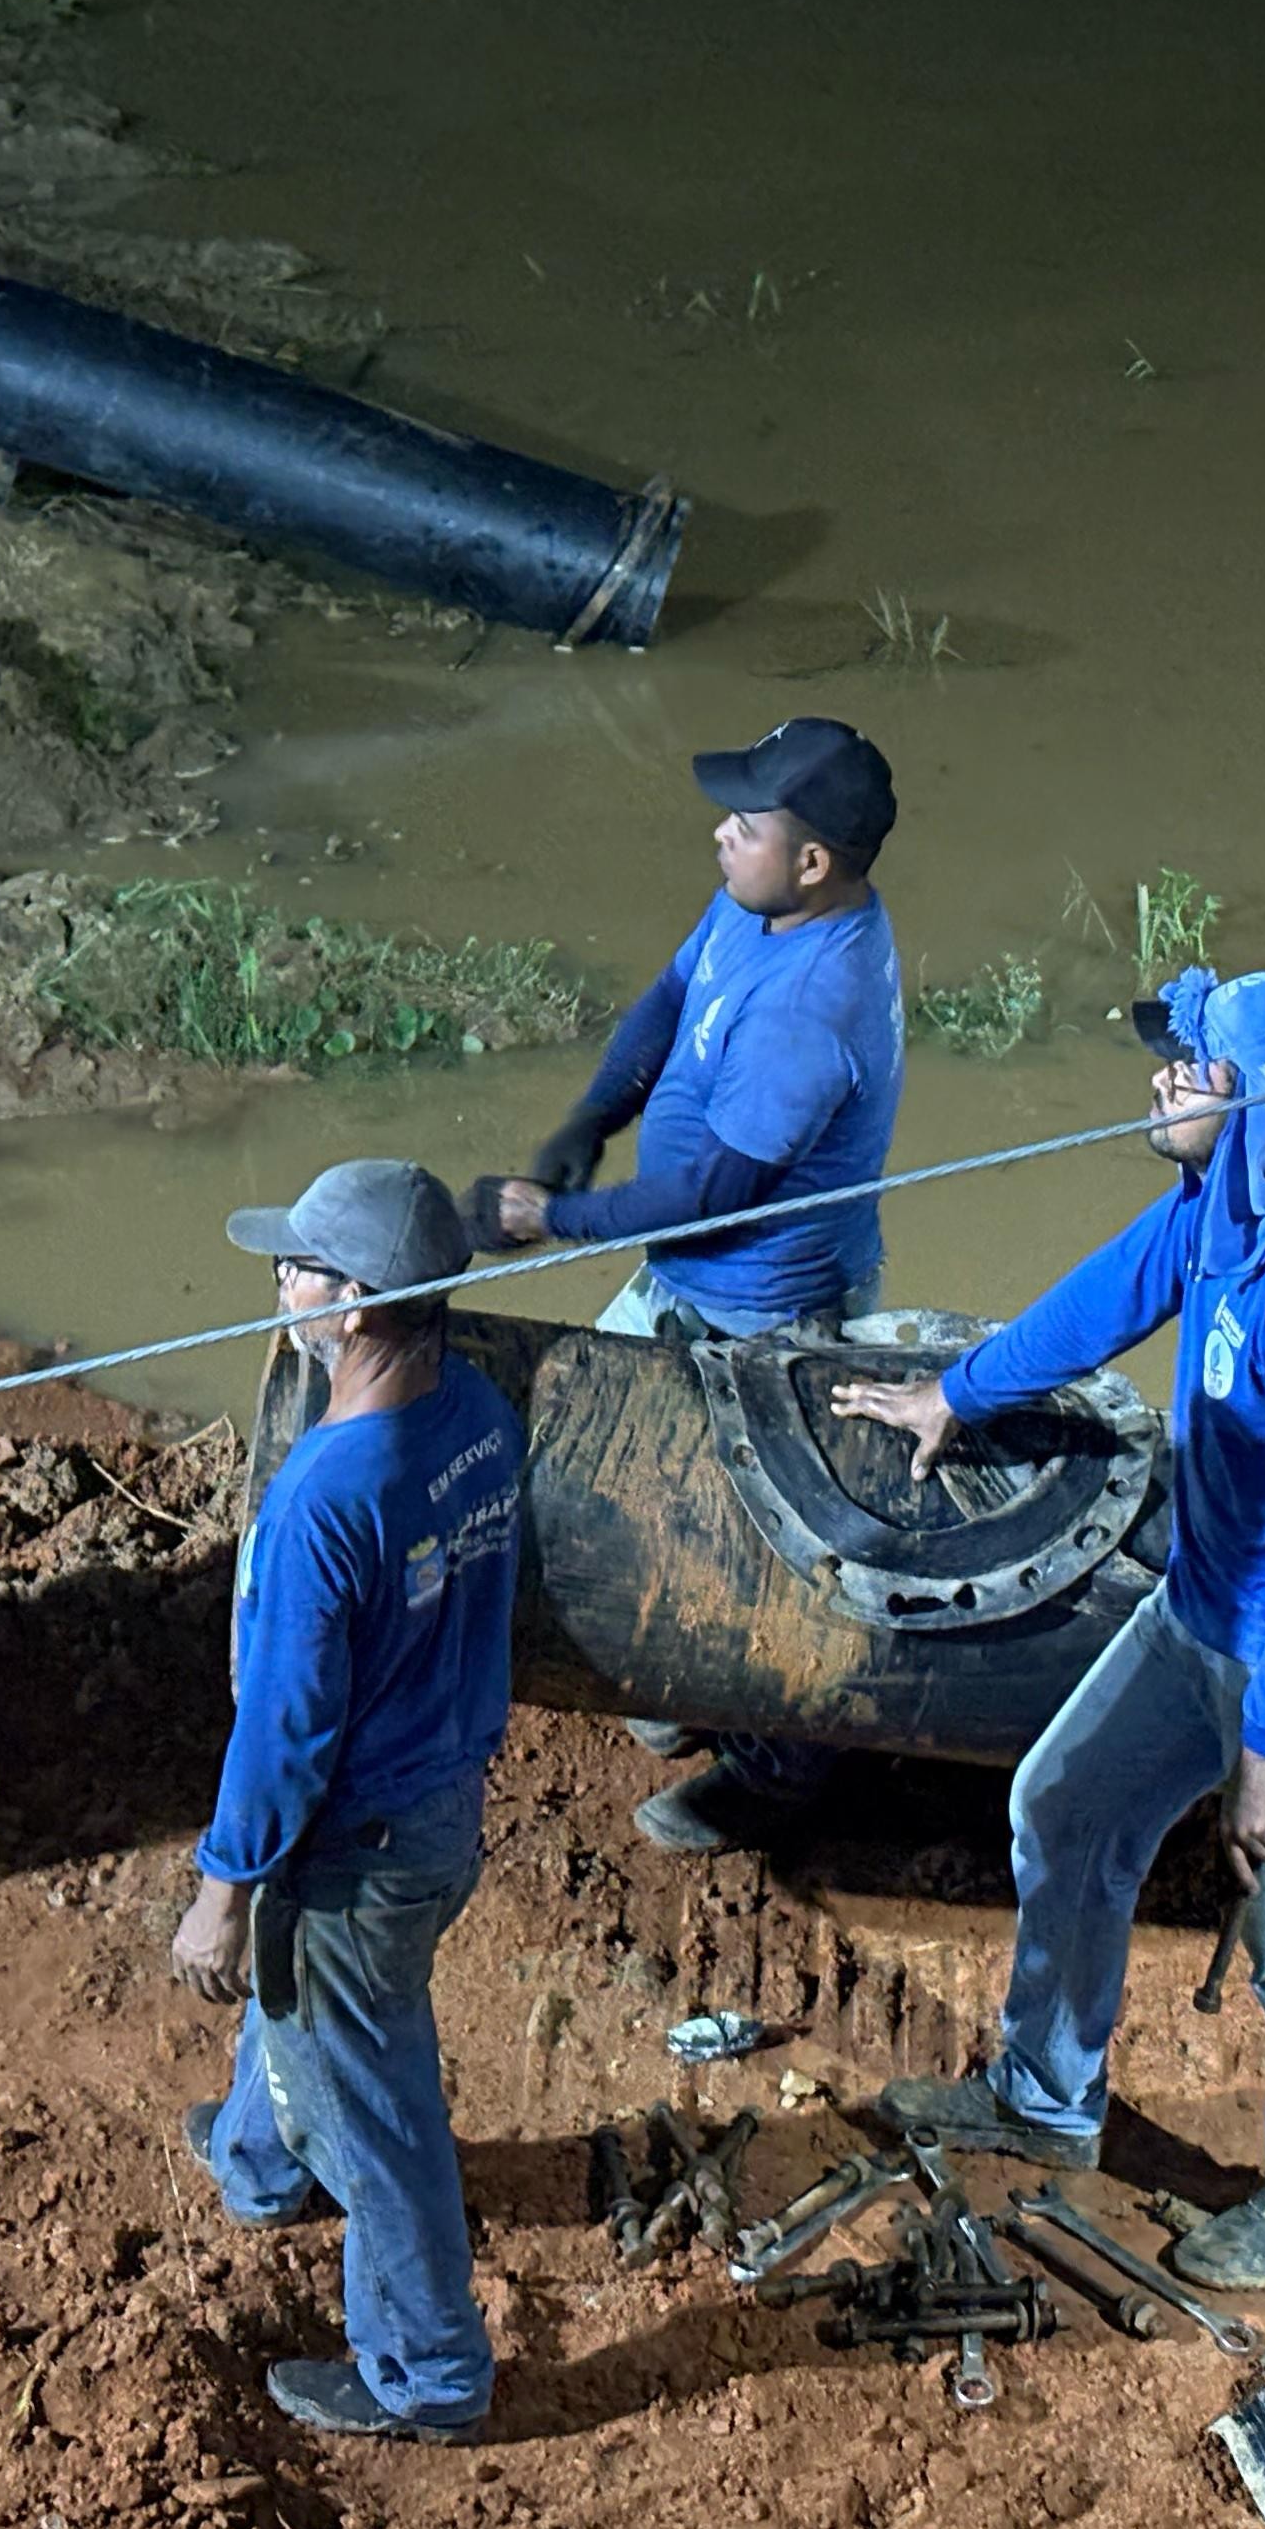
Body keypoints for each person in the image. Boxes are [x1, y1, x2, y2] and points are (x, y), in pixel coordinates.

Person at [827, 966, 1265, 2291]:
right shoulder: (1227, 1199)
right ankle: (1046, 2100)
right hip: (1215, 1600)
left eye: (1190, 1068)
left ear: (1263, 1108)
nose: (1160, 1079)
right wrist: (957, 1394)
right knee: (1067, 1804)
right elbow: (1114, 1291)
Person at [468, 715, 906, 1856]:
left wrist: (552, 1216)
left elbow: (717, 1191)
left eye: (744, 824)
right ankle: (672, 1674)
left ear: (811, 861)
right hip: (684, 1275)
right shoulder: (762, 903)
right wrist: (591, 1119)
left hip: (767, 1308)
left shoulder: (818, 1010)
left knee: (765, 1548)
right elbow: (671, 995)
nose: (720, 834)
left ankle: (781, 1768)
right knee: (590, 1456)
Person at [174, 1158, 524, 2440]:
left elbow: (283, 1731)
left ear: (365, 1305)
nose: (282, 1280)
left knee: (377, 2116)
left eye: (305, 1267)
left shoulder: (324, 1498)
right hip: (442, 1809)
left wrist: (222, 1889)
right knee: (313, 2010)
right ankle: (265, 2168)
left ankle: (432, 2375)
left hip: (359, 1843)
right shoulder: (479, 1415)